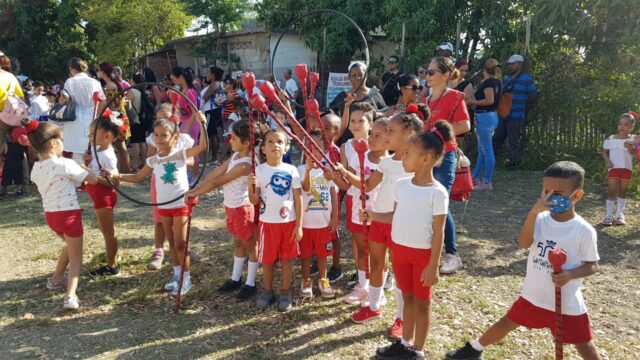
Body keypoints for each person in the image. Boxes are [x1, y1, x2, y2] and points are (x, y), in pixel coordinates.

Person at [446, 161, 602, 360]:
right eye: (546, 191)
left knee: (584, 345)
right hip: (534, 295)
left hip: (566, 302)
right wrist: (534, 212)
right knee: (507, 322)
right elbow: (524, 243)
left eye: (558, 194)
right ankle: (473, 349)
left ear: (577, 195)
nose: (550, 198)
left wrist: (570, 274)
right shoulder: (541, 218)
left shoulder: (583, 230)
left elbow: (592, 266)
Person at [364, 122, 451, 360]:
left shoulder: (438, 192)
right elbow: (395, 215)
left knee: (422, 302)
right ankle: (405, 343)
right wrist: (373, 216)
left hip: (422, 255)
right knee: (408, 298)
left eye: (407, 154)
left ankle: (418, 351)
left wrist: (434, 264)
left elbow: (439, 231)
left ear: (426, 158)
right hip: (399, 251)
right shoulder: (402, 186)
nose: (402, 157)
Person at [338, 110, 425, 339]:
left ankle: (402, 317)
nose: (386, 135)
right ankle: (374, 305)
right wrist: (345, 172)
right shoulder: (385, 163)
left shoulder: (416, 164)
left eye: (391, 131)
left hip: (401, 224)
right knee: (376, 263)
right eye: (385, 131)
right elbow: (366, 185)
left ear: (410, 133)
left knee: (400, 271)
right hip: (378, 220)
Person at [107, 112, 207, 296]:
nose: (159, 139)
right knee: (170, 242)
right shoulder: (154, 160)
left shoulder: (180, 154)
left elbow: (202, 146)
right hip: (164, 206)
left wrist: (202, 124)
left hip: (180, 204)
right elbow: (137, 177)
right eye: (157, 135)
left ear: (175, 137)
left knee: (180, 244)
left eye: (164, 135)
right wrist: (117, 175)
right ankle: (176, 275)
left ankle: (186, 279)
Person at [27, 120, 100, 309]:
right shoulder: (66, 164)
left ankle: (56, 279)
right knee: (77, 257)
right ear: (53, 143)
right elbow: (92, 180)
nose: (62, 144)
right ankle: (70, 295)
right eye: (61, 140)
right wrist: (83, 167)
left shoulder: (35, 168)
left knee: (69, 246)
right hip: (69, 215)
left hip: (51, 217)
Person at [186, 120, 262, 301]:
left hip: (242, 209)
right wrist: (195, 188)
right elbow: (215, 174)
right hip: (231, 208)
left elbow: (218, 182)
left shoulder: (246, 164)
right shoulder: (235, 156)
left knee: (250, 246)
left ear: (247, 143)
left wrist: (196, 192)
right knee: (238, 244)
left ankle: (251, 282)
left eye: (234, 138)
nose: (230, 141)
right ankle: (235, 278)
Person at [422, 56, 471, 274]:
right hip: (426, 155)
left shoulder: (455, 97)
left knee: (441, 204)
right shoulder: (426, 101)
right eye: (426, 71)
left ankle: (452, 254)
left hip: (446, 155)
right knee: (426, 202)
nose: (427, 75)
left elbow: (465, 125)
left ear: (444, 75)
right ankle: (428, 249)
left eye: (432, 72)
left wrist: (439, 130)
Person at [248, 128, 303, 312]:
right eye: (270, 142)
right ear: (262, 149)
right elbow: (254, 200)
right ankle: (268, 290)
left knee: (287, 259)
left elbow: (298, 198)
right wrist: (250, 187)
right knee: (268, 259)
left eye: (279, 142)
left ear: (286, 148)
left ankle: (285, 291)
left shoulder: (292, 170)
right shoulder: (259, 171)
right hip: (267, 223)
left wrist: (299, 224)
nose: (274, 145)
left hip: (288, 223)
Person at [335, 116, 388, 307]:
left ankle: (378, 290)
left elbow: (367, 185)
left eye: (378, 136)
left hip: (380, 214)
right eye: (372, 134)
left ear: (390, 139)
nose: (372, 139)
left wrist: (345, 172)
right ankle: (363, 285)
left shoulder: (388, 163)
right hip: (359, 210)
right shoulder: (361, 155)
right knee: (361, 249)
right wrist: (338, 174)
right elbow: (351, 183)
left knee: (379, 256)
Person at [146, 104, 195, 270]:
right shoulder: (155, 137)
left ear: (176, 118)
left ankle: (184, 253)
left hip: (178, 186)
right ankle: (159, 250)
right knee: (160, 219)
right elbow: (150, 161)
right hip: (159, 182)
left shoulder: (183, 140)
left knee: (179, 225)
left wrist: (178, 160)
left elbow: (192, 160)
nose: (162, 121)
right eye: (159, 118)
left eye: (166, 117)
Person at [298, 129, 338, 299]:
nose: (312, 149)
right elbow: (305, 188)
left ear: (322, 147)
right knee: (305, 255)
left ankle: (323, 279)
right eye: (308, 146)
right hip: (306, 223)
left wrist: (335, 216)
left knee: (323, 254)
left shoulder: (327, 170)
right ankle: (306, 280)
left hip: (323, 223)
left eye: (316, 145)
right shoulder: (299, 169)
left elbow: (333, 193)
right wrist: (307, 170)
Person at [84, 112, 123, 277]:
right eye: (89, 133)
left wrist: (87, 173)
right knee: (103, 227)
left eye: (93, 133)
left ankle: (112, 266)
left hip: (104, 194)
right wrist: (87, 161)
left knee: (108, 231)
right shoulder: (97, 148)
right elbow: (94, 168)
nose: (89, 136)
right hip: (97, 193)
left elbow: (114, 182)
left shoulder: (108, 156)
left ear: (107, 136)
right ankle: (112, 254)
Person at [493, 54, 538, 170]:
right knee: (497, 137)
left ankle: (514, 163)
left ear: (520, 64)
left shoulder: (527, 79)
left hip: (516, 115)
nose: (511, 66)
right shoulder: (507, 79)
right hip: (503, 113)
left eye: (513, 64)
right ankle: (490, 159)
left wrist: (522, 102)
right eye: (510, 64)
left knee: (514, 140)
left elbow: (533, 95)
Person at [58, 58, 104, 165]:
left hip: (75, 116)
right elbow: (102, 102)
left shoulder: (70, 81)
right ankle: (93, 175)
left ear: (72, 69)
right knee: (92, 148)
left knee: (76, 151)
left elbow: (64, 99)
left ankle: (80, 177)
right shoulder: (95, 82)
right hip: (93, 116)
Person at [330, 61, 386, 145]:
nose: (358, 78)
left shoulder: (374, 94)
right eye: (354, 75)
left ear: (366, 76)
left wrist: (377, 115)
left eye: (360, 75)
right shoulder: (342, 96)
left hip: (369, 144)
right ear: (348, 78)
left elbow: (384, 115)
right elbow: (331, 112)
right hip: (345, 143)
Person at [466, 59, 502, 190]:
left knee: (487, 150)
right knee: (482, 150)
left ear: (484, 70)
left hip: (485, 117)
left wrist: (472, 102)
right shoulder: (497, 81)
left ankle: (487, 181)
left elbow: (489, 100)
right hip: (491, 116)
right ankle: (475, 176)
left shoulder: (488, 82)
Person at [601, 112, 637, 226]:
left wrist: (630, 148)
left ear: (632, 127)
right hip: (614, 169)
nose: (622, 127)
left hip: (627, 169)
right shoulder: (611, 138)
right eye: (620, 124)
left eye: (626, 124)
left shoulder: (634, 139)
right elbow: (604, 151)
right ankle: (608, 215)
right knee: (611, 191)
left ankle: (620, 214)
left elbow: (635, 153)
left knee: (623, 191)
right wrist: (607, 161)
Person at [98, 62, 130, 172]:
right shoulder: (111, 84)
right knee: (120, 146)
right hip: (118, 116)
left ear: (103, 72)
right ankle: (123, 170)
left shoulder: (111, 86)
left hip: (117, 118)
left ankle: (124, 171)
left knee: (120, 146)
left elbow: (111, 104)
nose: (98, 72)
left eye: (99, 70)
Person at [171, 66, 200, 179]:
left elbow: (194, 111)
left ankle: (195, 175)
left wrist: (187, 128)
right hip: (185, 121)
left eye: (174, 79)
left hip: (190, 123)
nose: (173, 81)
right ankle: (191, 174)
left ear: (181, 77)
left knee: (191, 148)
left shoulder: (188, 92)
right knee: (186, 148)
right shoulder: (184, 91)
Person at [200, 66, 225, 164]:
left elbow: (204, 98)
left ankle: (213, 158)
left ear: (213, 74)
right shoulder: (215, 84)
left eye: (208, 73)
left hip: (211, 111)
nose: (206, 75)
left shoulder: (214, 84)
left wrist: (197, 106)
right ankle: (211, 157)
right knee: (211, 134)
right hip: (210, 111)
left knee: (211, 135)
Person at [0, 128, 27, 196]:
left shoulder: (6, 144)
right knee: (19, 178)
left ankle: (3, 191)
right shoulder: (24, 146)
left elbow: (1, 152)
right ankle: (19, 190)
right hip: (18, 165)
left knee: (6, 178)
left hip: (8, 165)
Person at [128, 74, 146, 171]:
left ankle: (134, 164)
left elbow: (126, 104)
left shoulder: (132, 91)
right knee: (142, 141)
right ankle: (144, 163)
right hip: (143, 118)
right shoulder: (142, 91)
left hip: (135, 119)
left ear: (133, 80)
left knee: (135, 142)